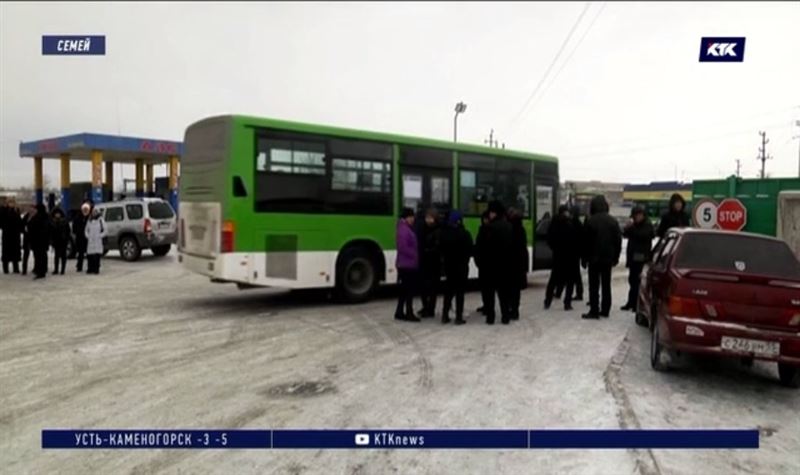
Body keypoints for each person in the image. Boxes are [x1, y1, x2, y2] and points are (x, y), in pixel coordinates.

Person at [581, 195, 622, 320]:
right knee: (606, 284)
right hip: (607, 258)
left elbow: (585, 242)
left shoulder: (590, 221)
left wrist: (584, 258)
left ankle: (594, 310)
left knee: (594, 285)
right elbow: (618, 241)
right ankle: (605, 309)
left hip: (593, 258)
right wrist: (616, 257)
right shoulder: (613, 221)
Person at [483, 200, 514, 325]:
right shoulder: (508, 227)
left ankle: (490, 317)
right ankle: (505, 316)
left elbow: (484, 248)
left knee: (490, 294)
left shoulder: (489, 228)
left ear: (493, 213)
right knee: (504, 293)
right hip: (505, 265)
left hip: (491, 266)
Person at [440, 210, 473, 325]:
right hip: (462, 267)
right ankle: (458, 317)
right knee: (460, 293)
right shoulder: (465, 234)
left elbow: (441, 249)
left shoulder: (444, 234)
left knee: (448, 291)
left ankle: (445, 315)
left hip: (449, 266)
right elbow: (470, 250)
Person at [621, 206, 655, 311]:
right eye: (636, 215)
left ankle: (637, 304)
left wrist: (632, 229)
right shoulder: (634, 226)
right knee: (632, 281)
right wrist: (628, 227)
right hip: (633, 256)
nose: (638, 217)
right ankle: (631, 302)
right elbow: (625, 233)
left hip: (642, 257)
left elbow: (643, 235)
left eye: (640, 215)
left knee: (639, 282)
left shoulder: (647, 225)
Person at [545, 205, 577, 311]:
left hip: (558, 256)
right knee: (570, 281)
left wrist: (555, 248)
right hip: (569, 256)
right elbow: (574, 240)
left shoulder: (553, 223)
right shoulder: (570, 223)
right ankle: (567, 303)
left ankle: (547, 301)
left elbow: (549, 239)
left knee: (553, 280)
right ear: (565, 212)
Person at [395, 207, 420, 322]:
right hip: (407, 264)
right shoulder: (404, 230)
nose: (413, 219)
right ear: (407, 217)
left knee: (404, 290)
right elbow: (403, 247)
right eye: (411, 217)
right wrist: (415, 255)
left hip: (405, 263)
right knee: (409, 290)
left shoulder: (403, 228)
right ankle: (409, 313)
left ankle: (399, 311)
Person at [417, 208, 442, 318]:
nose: (428, 220)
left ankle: (430, 309)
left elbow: (438, 247)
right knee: (423, 287)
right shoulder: (422, 228)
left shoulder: (439, 230)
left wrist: (428, 251)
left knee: (432, 288)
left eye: (430, 218)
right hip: (423, 261)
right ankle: (425, 307)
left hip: (434, 263)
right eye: (427, 218)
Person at [507, 207, 529, 320]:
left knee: (510, 288)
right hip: (519, 264)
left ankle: (511, 309)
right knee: (516, 290)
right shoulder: (521, 229)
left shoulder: (510, 229)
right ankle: (515, 310)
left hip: (510, 264)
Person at [27, 204, 52, 280]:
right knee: (42, 256)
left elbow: (32, 226)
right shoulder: (45, 216)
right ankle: (42, 270)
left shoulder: (39, 217)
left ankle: (40, 272)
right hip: (42, 240)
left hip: (38, 241)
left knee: (39, 256)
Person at [474, 210, 491, 315]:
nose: (485, 221)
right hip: (483, 264)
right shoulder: (482, 230)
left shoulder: (491, 230)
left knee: (488, 288)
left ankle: (489, 307)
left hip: (488, 264)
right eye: (484, 219)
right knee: (484, 288)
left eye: (486, 219)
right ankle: (486, 305)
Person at [1, 199, 23, 274]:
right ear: (7, 203)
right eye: (10, 203)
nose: (11, 204)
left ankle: (16, 268)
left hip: (15, 235)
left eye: (13, 203)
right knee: (6, 252)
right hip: (7, 235)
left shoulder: (16, 211)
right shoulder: (4, 211)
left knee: (15, 252)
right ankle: (5, 269)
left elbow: (20, 222)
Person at [85, 207, 107, 275]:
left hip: (98, 241)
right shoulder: (89, 220)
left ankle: (96, 269)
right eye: (93, 212)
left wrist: (100, 236)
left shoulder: (101, 220)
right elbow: (86, 230)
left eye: (95, 211)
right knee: (90, 256)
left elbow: (105, 230)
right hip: (91, 241)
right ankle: (90, 268)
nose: (94, 213)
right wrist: (88, 236)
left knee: (97, 256)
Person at [50, 208, 71, 275]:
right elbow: (51, 232)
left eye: (58, 213)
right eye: (56, 214)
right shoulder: (53, 222)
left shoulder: (64, 221)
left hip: (63, 240)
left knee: (63, 256)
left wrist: (67, 239)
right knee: (56, 256)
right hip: (56, 241)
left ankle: (62, 270)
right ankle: (56, 269)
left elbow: (68, 231)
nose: (57, 215)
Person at [72, 202, 91, 272]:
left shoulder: (90, 218)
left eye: (87, 209)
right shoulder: (78, 217)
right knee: (80, 253)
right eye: (84, 209)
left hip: (88, 238)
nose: (85, 211)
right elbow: (74, 227)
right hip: (80, 238)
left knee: (89, 253)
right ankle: (79, 266)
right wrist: (77, 232)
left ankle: (89, 267)